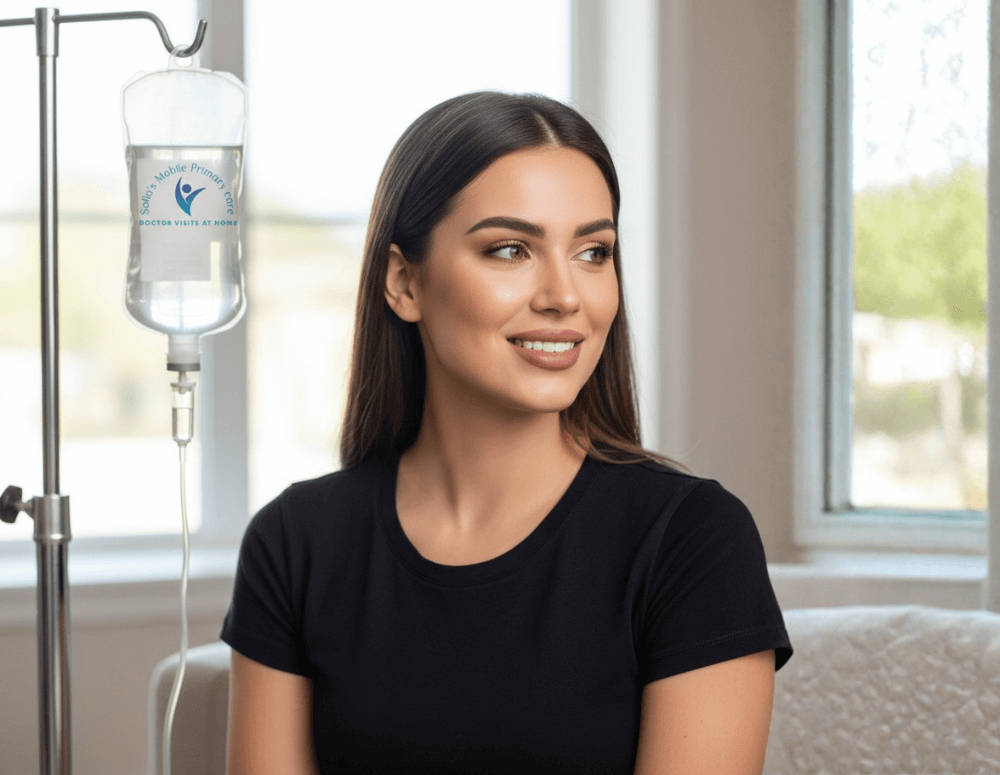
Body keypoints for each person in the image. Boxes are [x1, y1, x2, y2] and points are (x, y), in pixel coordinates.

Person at [221, 90, 794, 775]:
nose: (564, 296)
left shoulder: (694, 540)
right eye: (511, 248)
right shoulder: (294, 544)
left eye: (593, 251)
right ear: (404, 282)